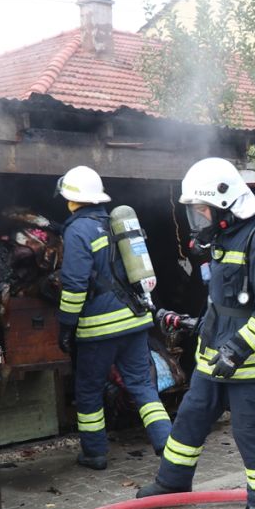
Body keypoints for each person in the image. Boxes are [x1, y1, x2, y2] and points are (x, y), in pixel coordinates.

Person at [137, 157, 255, 509]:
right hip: (212, 356)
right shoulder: (224, 236)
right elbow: (221, 300)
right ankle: (172, 482)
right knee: (190, 416)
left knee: (247, 429)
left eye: (202, 212)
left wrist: (236, 350)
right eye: (195, 213)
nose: (198, 221)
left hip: (249, 363)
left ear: (227, 205)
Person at [55, 166, 172, 470]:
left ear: (72, 200)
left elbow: (74, 284)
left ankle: (94, 453)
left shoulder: (78, 230)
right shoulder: (116, 224)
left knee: (89, 389)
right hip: (135, 322)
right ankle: (168, 446)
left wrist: (67, 325)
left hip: (99, 329)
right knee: (142, 385)